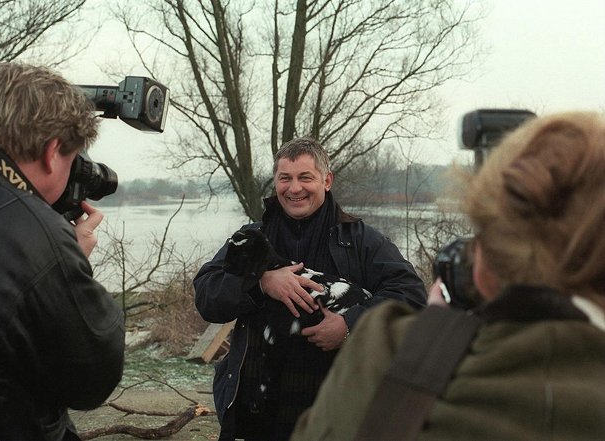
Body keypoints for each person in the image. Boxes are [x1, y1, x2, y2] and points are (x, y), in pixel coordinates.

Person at [290, 112, 605, 441]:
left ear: (481, 268)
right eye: (286, 178)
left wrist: (429, 341)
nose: (294, 188)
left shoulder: (384, 355)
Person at [194, 137, 426, 441]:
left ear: (326, 181)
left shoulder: (361, 241)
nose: (294, 188)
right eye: (285, 178)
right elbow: (207, 295)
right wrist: (261, 282)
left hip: (335, 411)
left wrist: (349, 326)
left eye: (306, 177)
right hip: (256, 411)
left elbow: (411, 297)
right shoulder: (251, 239)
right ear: (275, 182)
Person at [0, 62, 125, 441]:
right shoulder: (28, 232)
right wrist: (68, 258)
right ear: (52, 150)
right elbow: (92, 377)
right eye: (72, 161)